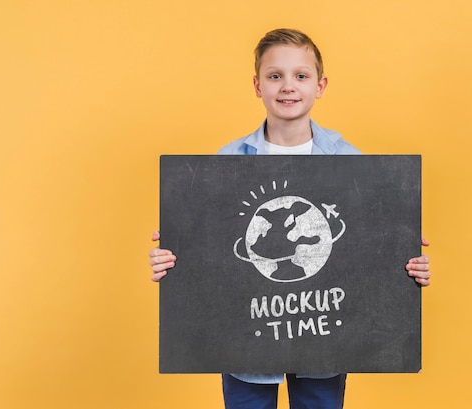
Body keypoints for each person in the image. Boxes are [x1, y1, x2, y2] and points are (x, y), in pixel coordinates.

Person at [148, 28, 431, 409]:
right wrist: (177, 255)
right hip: (246, 333)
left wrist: (404, 260)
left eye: (301, 75)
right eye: (275, 75)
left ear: (320, 85)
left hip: (324, 330)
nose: (287, 86)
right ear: (257, 85)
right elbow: (207, 248)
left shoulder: (350, 162)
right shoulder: (226, 162)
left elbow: (371, 249)